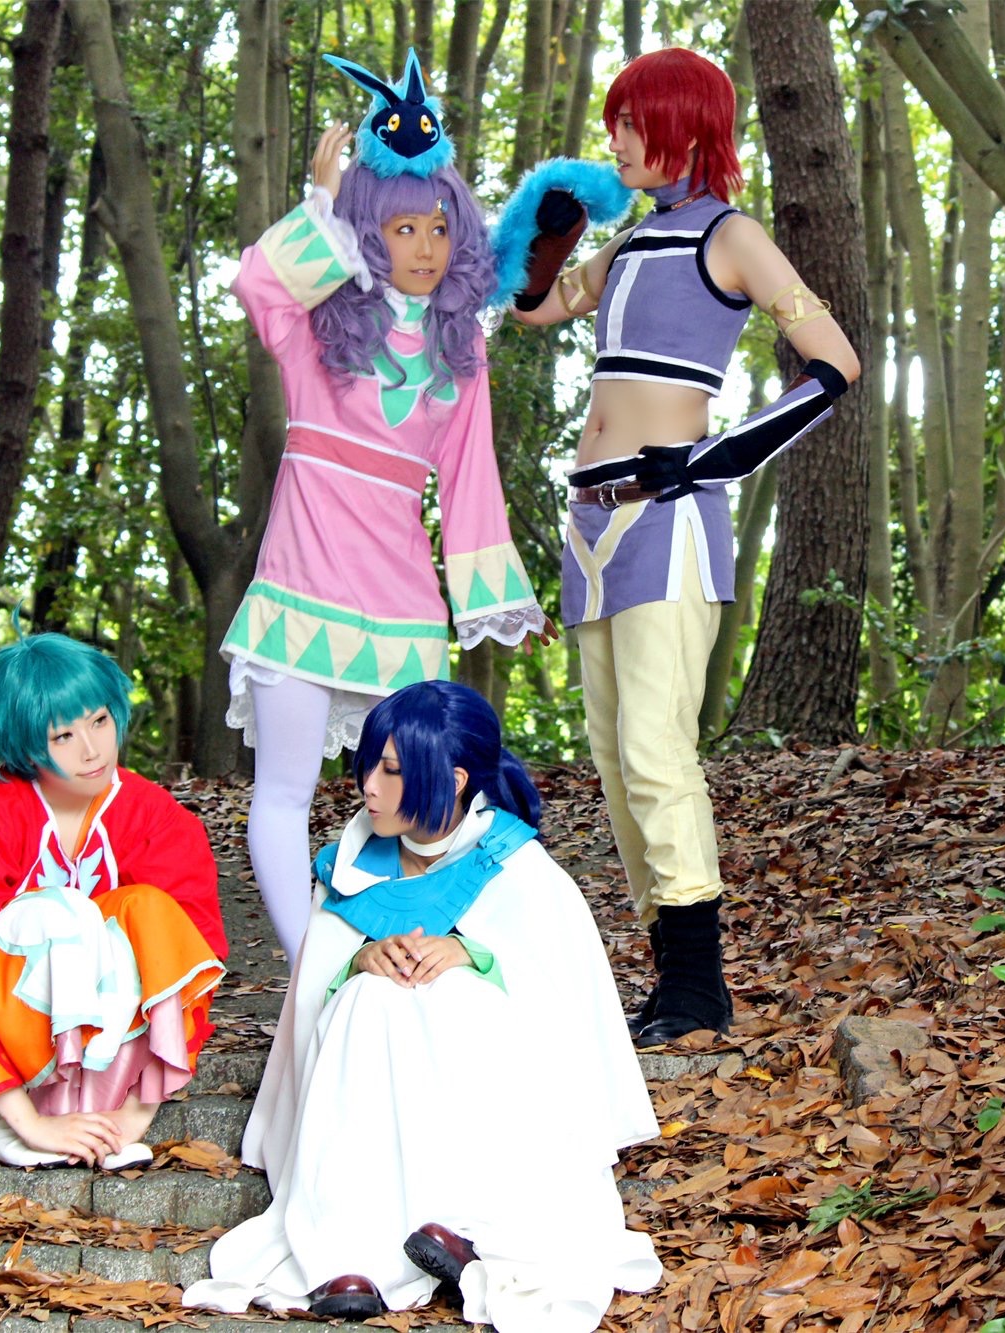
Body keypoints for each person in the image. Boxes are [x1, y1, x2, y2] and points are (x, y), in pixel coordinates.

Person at [498, 48, 861, 1046]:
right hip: (588, 524)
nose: (614, 139)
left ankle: (700, 991)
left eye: (631, 121)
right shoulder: (626, 245)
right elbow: (533, 310)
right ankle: (671, 981)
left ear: (683, 125)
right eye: (613, 122)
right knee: (616, 764)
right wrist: (542, 239)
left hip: (669, 520)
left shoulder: (732, 236)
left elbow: (834, 362)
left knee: (656, 750)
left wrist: (711, 458)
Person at [223, 49, 578, 971]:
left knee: (420, 798)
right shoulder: (315, 328)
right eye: (402, 225)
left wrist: (495, 600)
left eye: (439, 226)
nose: (424, 245)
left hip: (403, 607)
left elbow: (470, 484)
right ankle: (316, 971)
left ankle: (411, 958)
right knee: (283, 793)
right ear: (368, 232)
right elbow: (257, 282)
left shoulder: (463, 353)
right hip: (297, 591)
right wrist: (321, 204)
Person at [183, 681, 660, 1331]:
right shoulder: (353, 866)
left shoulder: (515, 865)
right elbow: (317, 981)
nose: (368, 786)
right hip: (372, 1061)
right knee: (368, 999)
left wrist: (473, 954)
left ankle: (472, 1231)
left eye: (392, 771)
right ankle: (351, 1249)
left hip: (482, 1081)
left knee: (457, 994)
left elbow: (561, 1000)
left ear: (455, 779)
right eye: (368, 766)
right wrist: (358, 961)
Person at [0, 633, 227, 1170]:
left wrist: (133, 1118)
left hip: (109, 1065)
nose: (92, 750)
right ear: (24, 745)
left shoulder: (161, 821)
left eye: (100, 721)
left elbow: (193, 971)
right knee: (55, 909)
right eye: (63, 735)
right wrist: (28, 1122)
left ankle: (100, 1112)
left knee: (153, 910)